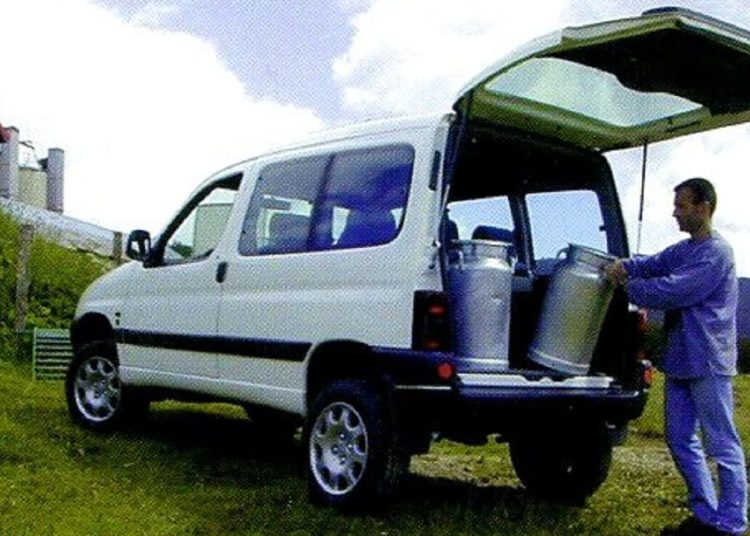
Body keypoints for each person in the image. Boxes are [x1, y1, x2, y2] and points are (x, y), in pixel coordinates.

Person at [603, 178, 747, 536]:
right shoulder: (683, 250)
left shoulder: (717, 253)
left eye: (681, 206)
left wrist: (626, 284)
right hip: (681, 359)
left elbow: (674, 290)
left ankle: (731, 523)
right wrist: (623, 265)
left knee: (721, 444)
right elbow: (653, 264)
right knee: (680, 438)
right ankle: (705, 516)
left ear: (703, 207)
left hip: (709, 360)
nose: (674, 213)